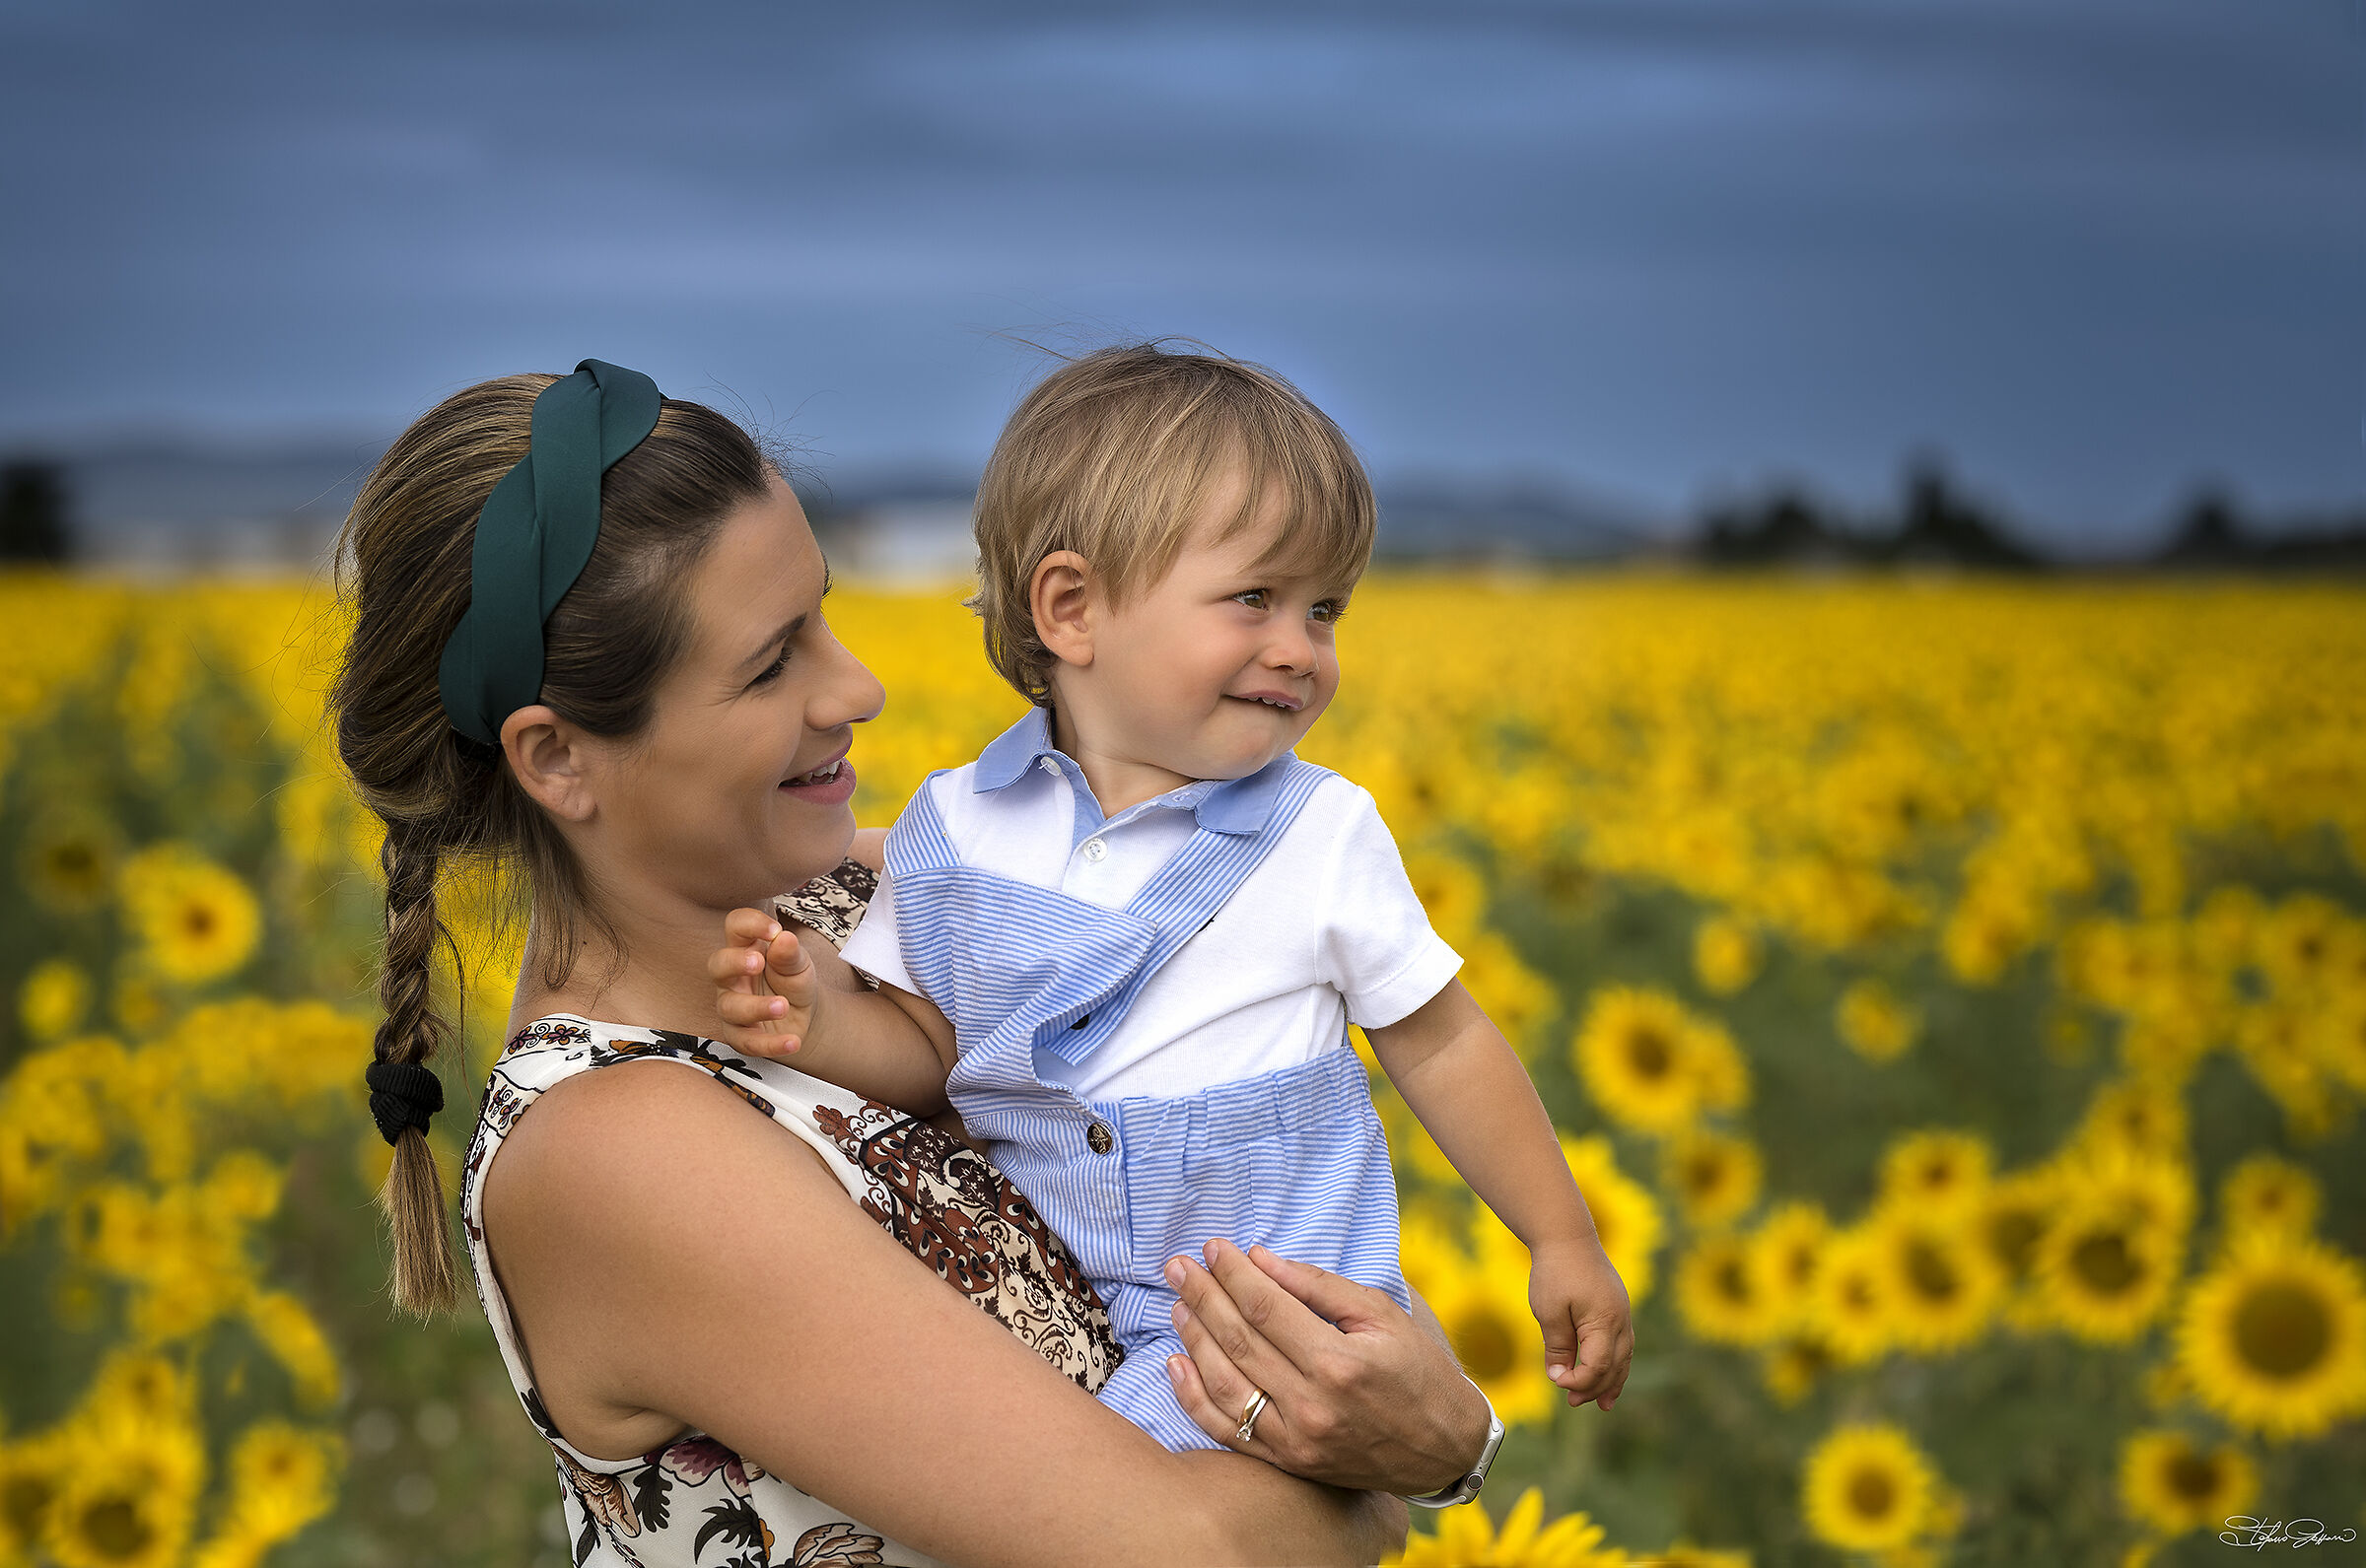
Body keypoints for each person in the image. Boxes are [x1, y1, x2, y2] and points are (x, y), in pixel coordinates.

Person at [333, 360, 1495, 1568]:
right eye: (772, 661)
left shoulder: (894, 901)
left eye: (825, 614)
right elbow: (1199, 1554)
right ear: (559, 757)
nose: (860, 686)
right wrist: (1408, 1463)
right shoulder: (615, 1145)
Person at [706, 344, 1634, 1455]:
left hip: (1272, 1323)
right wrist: (815, 1015)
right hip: (1052, 1305)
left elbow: (1440, 1042)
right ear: (1072, 608)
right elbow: (930, 1050)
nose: (1300, 649)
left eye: (1325, 609)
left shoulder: (1319, 832)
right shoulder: (956, 830)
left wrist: (1560, 1236)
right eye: (1255, 597)